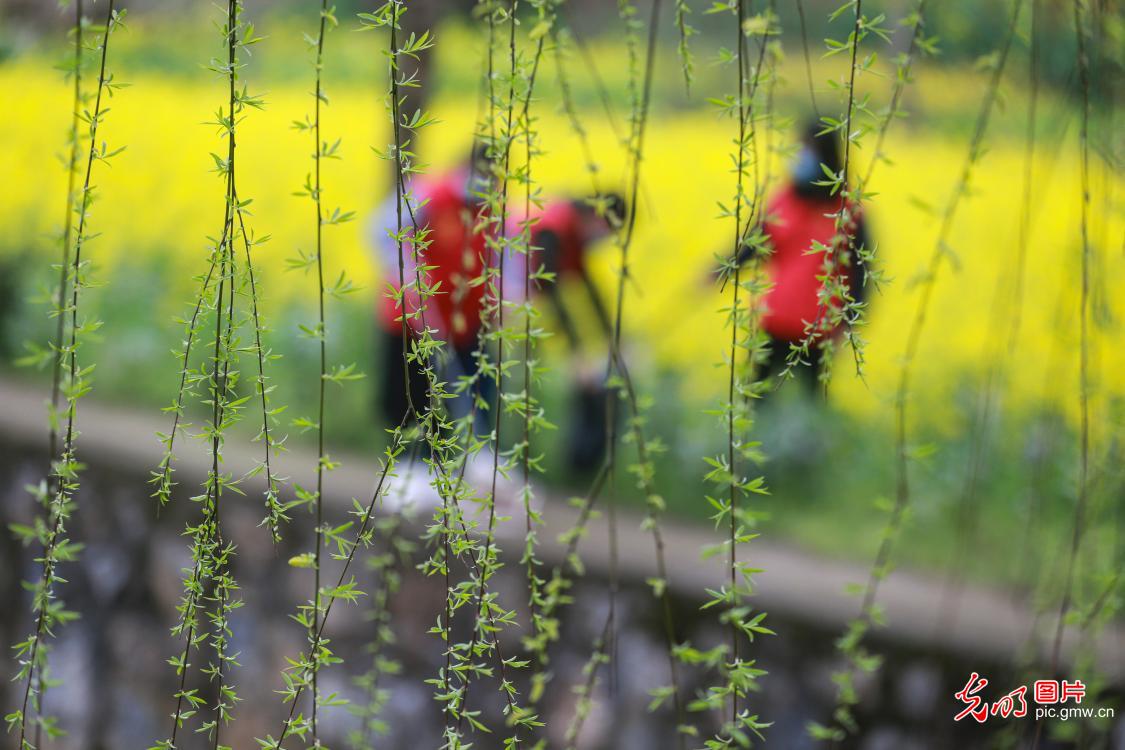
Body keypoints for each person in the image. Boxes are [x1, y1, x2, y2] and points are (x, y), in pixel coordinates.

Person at [370, 144, 512, 430]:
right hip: (413, 317)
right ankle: (407, 461)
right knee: (410, 391)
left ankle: (470, 455)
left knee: (470, 388)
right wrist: (409, 277)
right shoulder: (429, 193)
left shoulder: (495, 211)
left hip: (466, 322)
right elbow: (381, 232)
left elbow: (505, 261)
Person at [735, 120, 870, 393]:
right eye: (802, 146)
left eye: (811, 148)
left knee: (810, 408)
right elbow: (752, 247)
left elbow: (861, 272)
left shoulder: (846, 211)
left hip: (818, 333)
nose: (802, 155)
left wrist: (849, 325)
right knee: (753, 399)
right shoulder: (784, 199)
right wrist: (721, 271)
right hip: (773, 322)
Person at [519, 194, 624, 472]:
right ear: (598, 218)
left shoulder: (573, 230)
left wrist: (613, 337)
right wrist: (576, 353)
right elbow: (551, 291)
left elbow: (588, 287)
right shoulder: (554, 228)